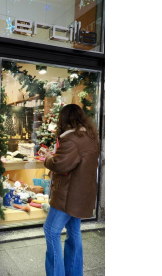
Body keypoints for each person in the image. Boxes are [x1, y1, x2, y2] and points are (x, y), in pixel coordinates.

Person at [42, 104, 99, 276]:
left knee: (51, 230)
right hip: (82, 195)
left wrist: (48, 158)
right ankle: (74, 272)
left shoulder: (71, 139)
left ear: (65, 119)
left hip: (67, 195)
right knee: (73, 232)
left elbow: (61, 165)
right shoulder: (90, 136)